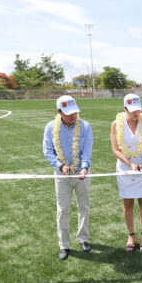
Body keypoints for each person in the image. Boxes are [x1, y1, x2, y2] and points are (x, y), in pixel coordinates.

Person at [43, 95, 93, 259]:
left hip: (82, 173)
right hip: (61, 174)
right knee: (62, 209)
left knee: (83, 206)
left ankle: (83, 239)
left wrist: (84, 167)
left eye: (75, 112)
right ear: (59, 112)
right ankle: (64, 245)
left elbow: (87, 150)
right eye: (69, 113)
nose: (73, 116)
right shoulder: (51, 127)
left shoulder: (85, 126)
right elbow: (48, 151)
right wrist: (60, 165)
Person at [110, 94, 142, 252]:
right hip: (125, 167)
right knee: (128, 203)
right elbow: (116, 149)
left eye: (138, 110)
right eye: (132, 110)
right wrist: (129, 164)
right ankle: (131, 235)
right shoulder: (116, 124)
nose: (136, 114)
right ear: (125, 109)